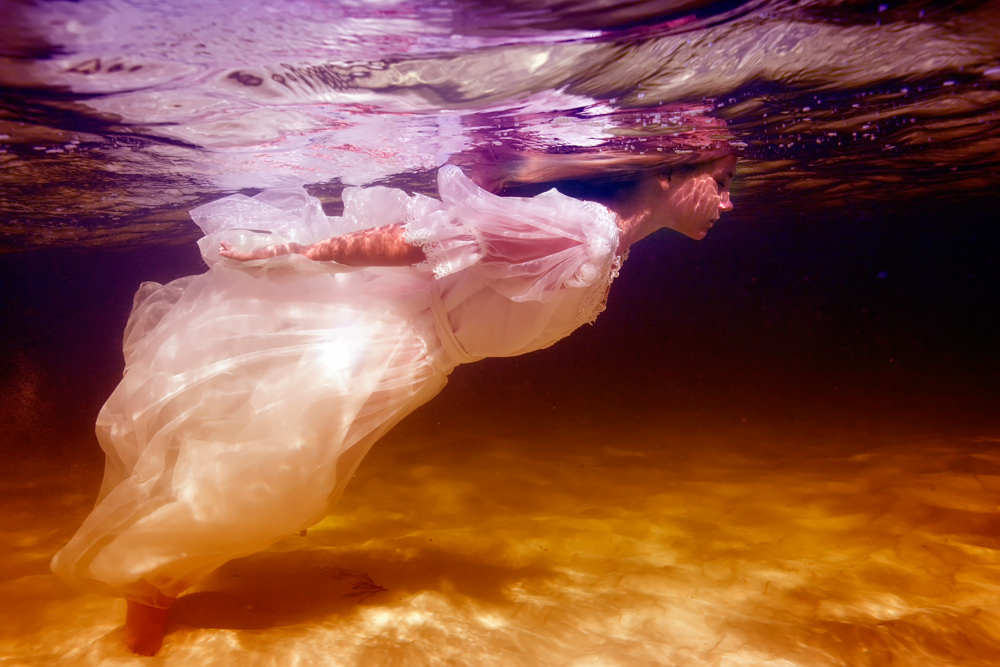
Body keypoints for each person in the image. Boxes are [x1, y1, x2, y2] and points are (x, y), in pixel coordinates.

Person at [51, 148, 737, 656]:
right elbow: (421, 242)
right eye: (723, 180)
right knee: (265, 481)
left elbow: (464, 242)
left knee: (266, 471)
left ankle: (144, 607)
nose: (729, 201)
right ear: (670, 173)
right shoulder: (584, 232)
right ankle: (136, 624)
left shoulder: (597, 235)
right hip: (384, 343)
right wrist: (293, 253)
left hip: (410, 353)